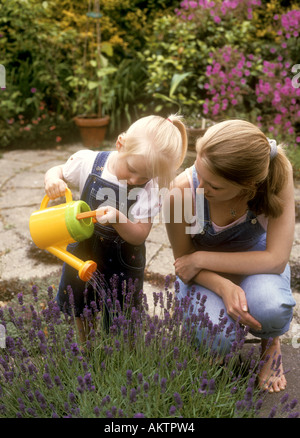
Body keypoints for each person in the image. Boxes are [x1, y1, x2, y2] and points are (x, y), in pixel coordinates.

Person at [165, 119, 296, 393]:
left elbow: (275, 260)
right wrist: (223, 286)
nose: (201, 186)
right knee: (215, 336)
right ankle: (213, 344)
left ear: (248, 186)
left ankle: (270, 342)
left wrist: (202, 258)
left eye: (214, 185)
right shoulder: (180, 193)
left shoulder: (276, 179)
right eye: (199, 172)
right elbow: (184, 263)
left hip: (257, 266)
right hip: (205, 279)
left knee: (270, 307)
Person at [45, 114, 187, 342]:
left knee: (121, 314)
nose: (135, 179)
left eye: (146, 175)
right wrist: (52, 179)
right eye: (131, 169)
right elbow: (58, 171)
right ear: (120, 144)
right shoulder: (89, 162)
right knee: (80, 303)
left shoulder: (150, 190)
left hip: (121, 261)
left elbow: (139, 235)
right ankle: (87, 347)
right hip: (83, 253)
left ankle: (120, 356)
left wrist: (119, 219)